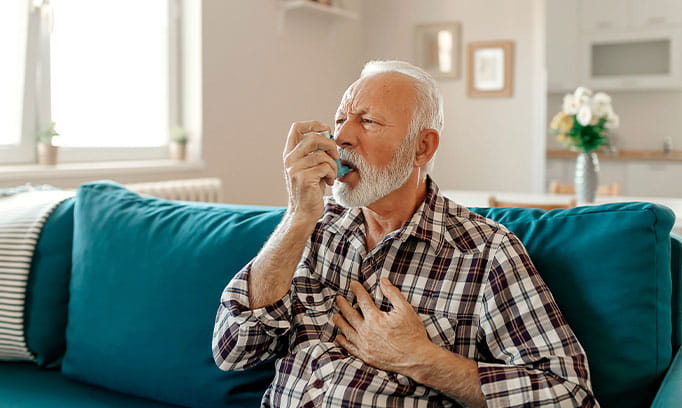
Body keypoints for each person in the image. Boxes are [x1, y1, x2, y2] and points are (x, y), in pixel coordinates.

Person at [212, 60, 599, 407]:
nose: (342, 137)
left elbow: (568, 395)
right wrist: (298, 218)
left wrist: (422, 359)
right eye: (341, 119)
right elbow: (232, 351)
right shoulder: (310, 229)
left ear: (422, 147)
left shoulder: (485, 251)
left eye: (367, 121)